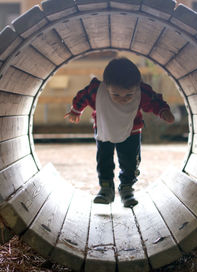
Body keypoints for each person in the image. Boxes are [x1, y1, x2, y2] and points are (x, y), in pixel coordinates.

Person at [64, 57, 175, 207]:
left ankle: (127, 189)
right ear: (106, 86)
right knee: (104, 160)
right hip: (104, 130)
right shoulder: (98, 90)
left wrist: (163, 111)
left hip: (131, 132)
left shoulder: (142, 92)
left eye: (129, 95)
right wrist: (76, 110)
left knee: (130, 162)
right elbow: (83, 95)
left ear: (137, 87)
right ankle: (106, 188)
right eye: (116, 94)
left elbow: (154, 100)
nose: (123, 99)